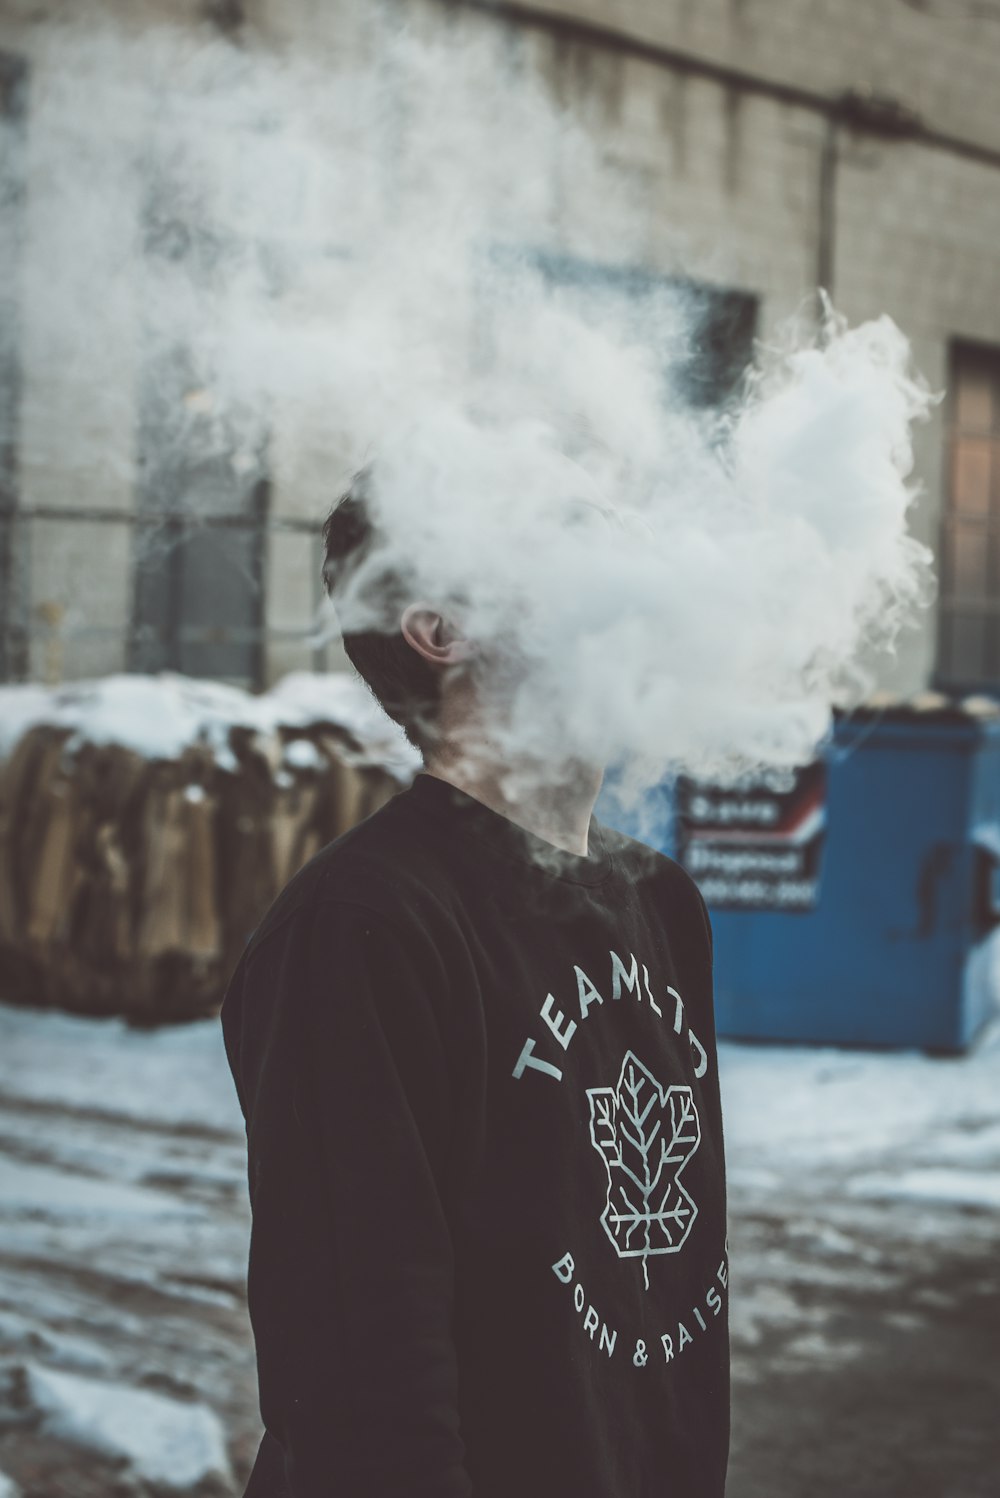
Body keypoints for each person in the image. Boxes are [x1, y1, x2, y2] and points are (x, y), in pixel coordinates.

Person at [220, 464, 730, 1497]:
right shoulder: (366, 924)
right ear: (439, 628)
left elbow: (664, 1307)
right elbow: (361, 1377)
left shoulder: (659, 899)